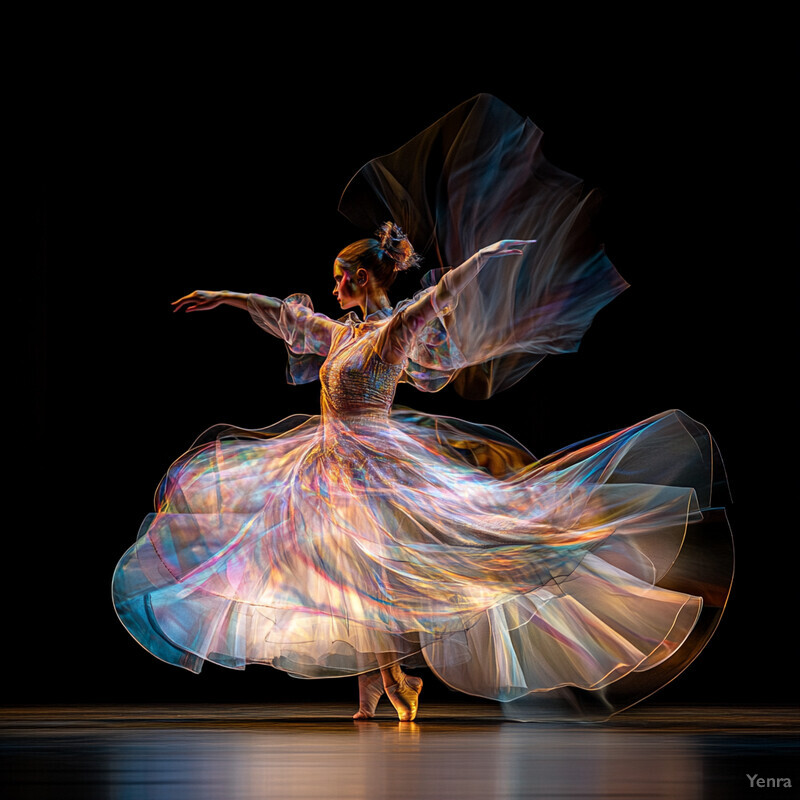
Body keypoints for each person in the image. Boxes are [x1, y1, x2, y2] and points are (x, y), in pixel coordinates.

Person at [113, 96, 732, 722]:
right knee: (345, 572)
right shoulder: (341, 334)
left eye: (339, 278)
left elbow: (435, 299)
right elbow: (286, 317)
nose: (332, 288)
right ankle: (378, 687)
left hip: (378, 466)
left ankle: (388, 682)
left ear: (363, 280)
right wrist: (225, 297)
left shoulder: (389, 334)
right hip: (327, 464)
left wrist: (478, 264)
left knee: (378, 573)